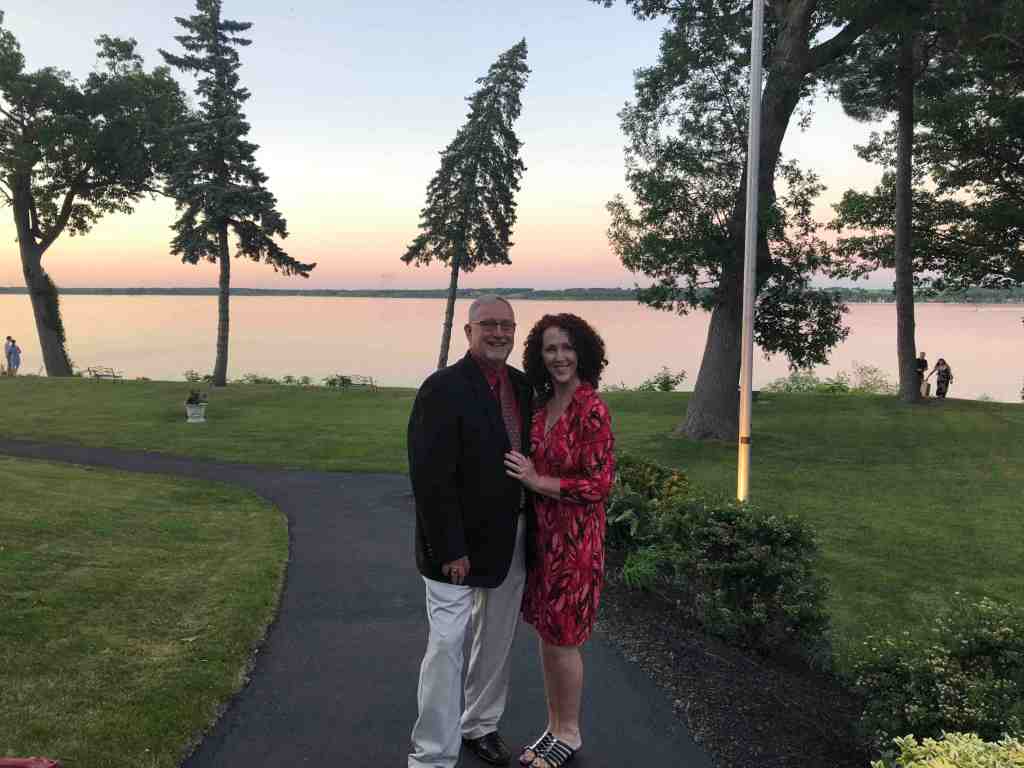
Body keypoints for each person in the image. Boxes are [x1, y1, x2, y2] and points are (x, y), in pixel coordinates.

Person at [407, 295, 534, 768]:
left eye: (507, 325)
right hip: (453, 547)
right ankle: (432, 756)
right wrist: (450, 549)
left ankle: (480, 725)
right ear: (469, 331)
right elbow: (429, 476)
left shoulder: (522, 386)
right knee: (446, 646)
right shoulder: (441, 388)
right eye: (489, 325)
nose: (499, 333)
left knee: (495, 642)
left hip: (509, 538)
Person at [504, 314, 615, 768]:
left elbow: (598, 486)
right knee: (549, 638)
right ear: (539, 356)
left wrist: (536, 481)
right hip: (543, 540)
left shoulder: (592, 410)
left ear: (583, 353)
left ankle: (569, 731)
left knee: (564, 639)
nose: (559, 357)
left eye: (567, 347)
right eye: (550, 349)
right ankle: (554, 727)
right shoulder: (541, 405)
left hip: (576, 543)